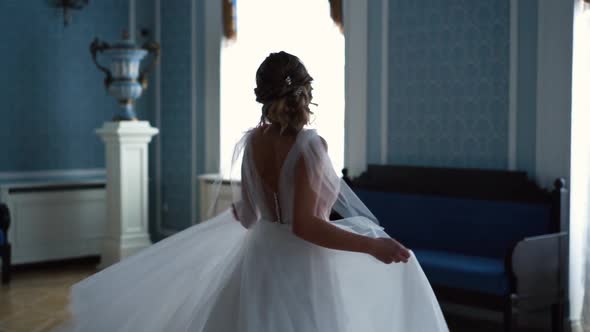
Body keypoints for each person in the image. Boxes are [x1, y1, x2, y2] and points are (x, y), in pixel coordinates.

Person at [56, 51, 449, 332]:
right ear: (303, 92)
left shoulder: (252, 142)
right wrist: (371, 247)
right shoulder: (310, 146)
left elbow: (248, 216)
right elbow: (306, 227)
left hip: (261, 258)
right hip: (301, 266)